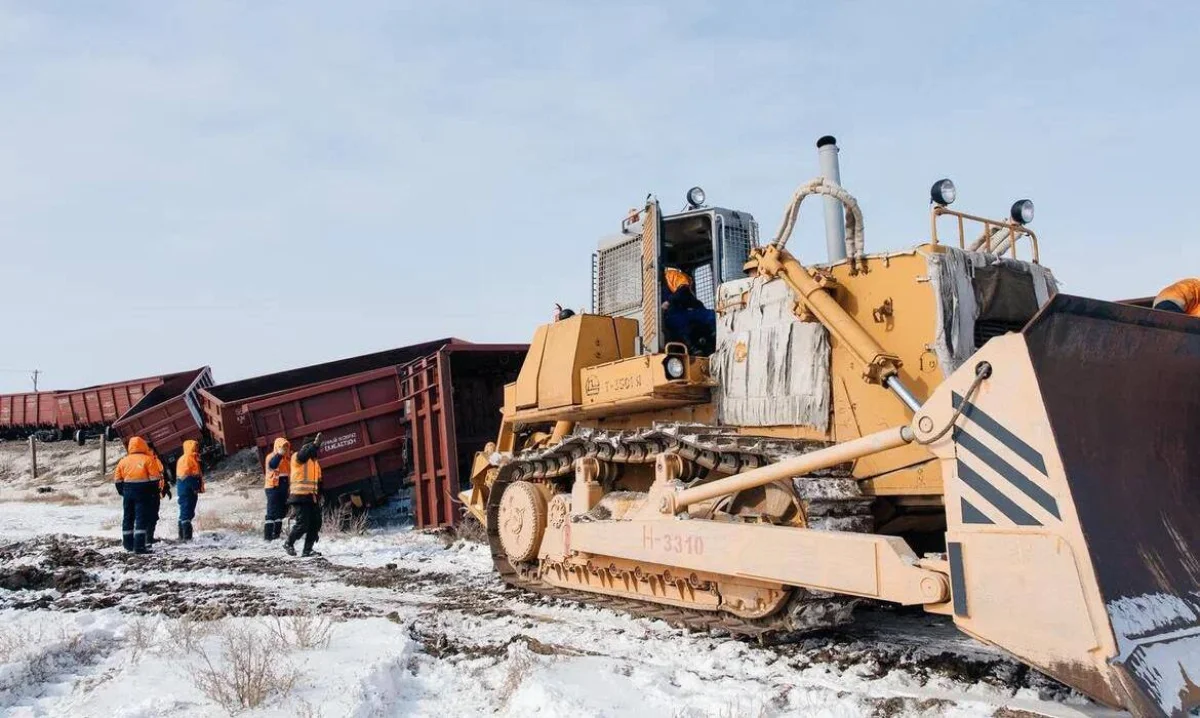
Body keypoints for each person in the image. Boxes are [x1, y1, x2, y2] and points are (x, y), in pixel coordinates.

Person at [112, 436, 165, 554]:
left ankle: (128, 545)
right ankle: (140, 546)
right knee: (141, 518)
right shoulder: (148, 459)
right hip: (143, 493)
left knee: (128, 517)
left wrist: (123, 492)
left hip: (128, 492)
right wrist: (153, 494)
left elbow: (117, 479)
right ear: (143, 445)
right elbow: (154, 479)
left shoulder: (123, 460)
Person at [660, 266, 716, 355]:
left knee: (714, 316)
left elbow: (683, 289)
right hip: (673, 316)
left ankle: (716, 342)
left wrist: (668, 302)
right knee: (675, 322)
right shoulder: (651, 292)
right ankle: (691, 348)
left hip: (690, 310)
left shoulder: (671, 276)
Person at [284, 433, 323, 557]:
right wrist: (314, 445)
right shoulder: (298, 456)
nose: (317, 450)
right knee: (303, 524)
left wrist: (320, 496)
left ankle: (308, 550)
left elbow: (319, 481)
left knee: (315, 523)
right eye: (314, 447)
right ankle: (288, 543)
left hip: (311, 497)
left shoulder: (314, 462)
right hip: (299, 496)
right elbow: (303, 454)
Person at [175, 439, 204, 542]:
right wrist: (194, 487)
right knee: (186, 513)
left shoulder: (190, 458)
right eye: (195, 446)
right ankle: (186, 538)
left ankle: (182, 537)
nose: (197, 448)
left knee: (185, 513)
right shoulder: (187, 459)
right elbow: (186, 476)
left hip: (186, 490)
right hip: (187, 490)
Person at [263, 437, 291, 541]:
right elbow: (273, 465)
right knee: (271, 512)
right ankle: (268, 536)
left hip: (283, 487)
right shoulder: (271, 457)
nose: (285, 449)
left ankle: (277, 535)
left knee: (280, 512)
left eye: (286, 447)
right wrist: (279, 454)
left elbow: (289, 474)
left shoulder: (286, 459)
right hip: (272, 487)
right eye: (283, 447)